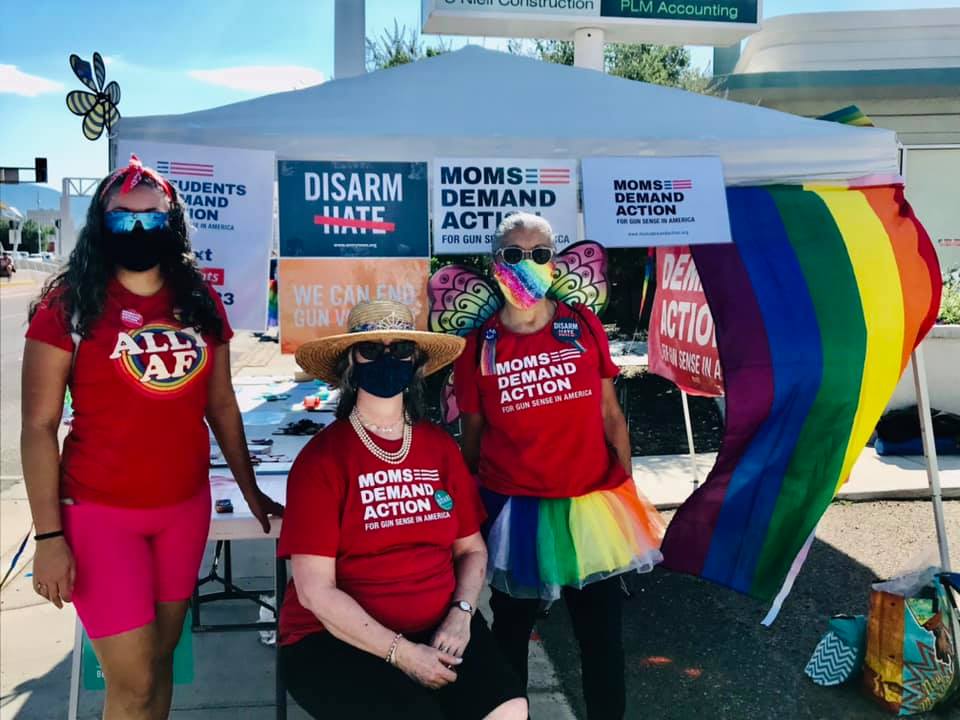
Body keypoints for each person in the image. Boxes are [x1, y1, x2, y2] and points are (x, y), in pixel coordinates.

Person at [21, 155, 283, 720]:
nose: (139, 231)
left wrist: (250, 488)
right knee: (132, 681)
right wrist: (47, 537)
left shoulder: (197, 301)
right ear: (100, 225)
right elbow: (38, 427)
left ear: (175, 223)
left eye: (152, 219)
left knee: (160, 664)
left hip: (182, 511)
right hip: (98, 513)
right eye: (123, 220)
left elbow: (221, 403)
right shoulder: (67, 306)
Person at [454, 213, 667, 719]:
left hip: (591, 507)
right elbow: (472, 438)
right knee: (509, 638)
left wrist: (627, 487)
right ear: (494, 264)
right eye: (513, 254)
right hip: (516, 513)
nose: (526, 265)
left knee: (601, 640)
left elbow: (611, 413)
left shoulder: (580, 323)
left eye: (539, 254)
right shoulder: (479, 346)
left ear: (554, 262)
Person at [279, 300, 527, 720]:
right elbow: (314, 590)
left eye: (401, 350)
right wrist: (403, 654)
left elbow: (471, 550)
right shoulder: (321, 461)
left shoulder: (439, 448)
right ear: (350, 364)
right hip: (335, 640)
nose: (387, 359)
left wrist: (462, 613)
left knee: (510, 711)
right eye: (372, 350)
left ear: (415, 364)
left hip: (441, 626)